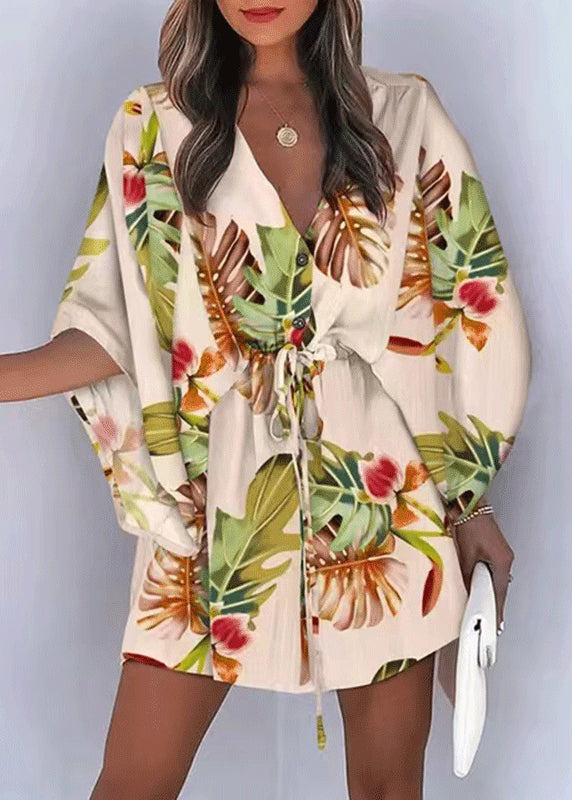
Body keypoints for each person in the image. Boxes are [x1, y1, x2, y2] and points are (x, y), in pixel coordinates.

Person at [1, 1, 532, 798]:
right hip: (218, 503)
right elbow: (119, 328)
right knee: (133, 781)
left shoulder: (404, 114)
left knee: (389, 787)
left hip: (381, 505)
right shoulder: (154, 126)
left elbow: (458, 317)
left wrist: (470, 501)